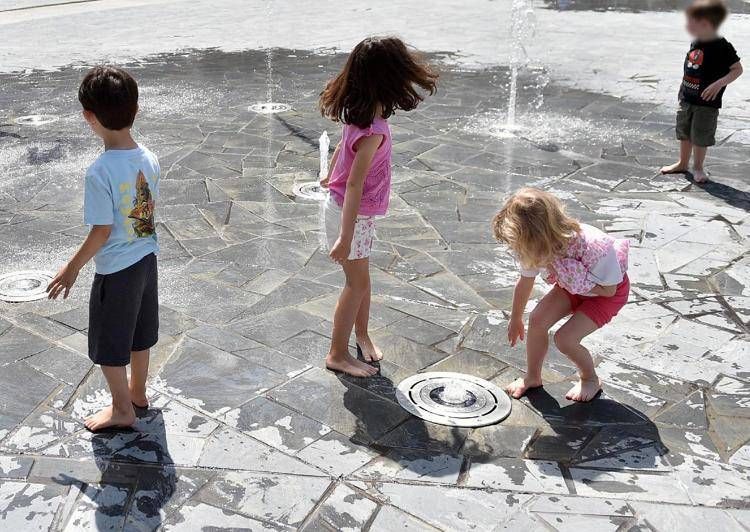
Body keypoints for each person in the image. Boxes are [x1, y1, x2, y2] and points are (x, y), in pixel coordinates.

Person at [47, 66, 160, 431]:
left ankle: (122, 408)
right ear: (136, 109)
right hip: (146, 260)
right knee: (140, 334)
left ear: (89, 117)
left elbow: (102, 230)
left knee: (109, 345)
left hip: (116, 271)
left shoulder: (99, 172)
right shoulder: (148, 157)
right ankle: (138, 393)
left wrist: (72, 267)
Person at [319, 37, 438, 377]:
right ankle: (337, 354)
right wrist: (344, 236)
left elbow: (342, 149)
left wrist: (329, 174)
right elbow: (355, 184)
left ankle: (362, 335)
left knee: (362, 281)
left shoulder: (360, 117)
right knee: (355, 284)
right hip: (350, 217)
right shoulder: (373, 131)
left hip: (354, 215)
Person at [493, 188, 629, 402]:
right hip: (571, 286)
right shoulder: (535, 247)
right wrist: (516, 317)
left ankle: (590, 379)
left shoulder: (594, 245)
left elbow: (609, 289)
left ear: (540, 236)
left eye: (522, 245)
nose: (520, 252)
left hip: (605, 295)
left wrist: (575, 280)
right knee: (537, 320)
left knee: (565, 339)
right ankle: (532, 377)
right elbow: (525, 282)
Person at [660, 0, 742, 183]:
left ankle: (698, 167)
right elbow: (692, 67)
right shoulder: (696, 41)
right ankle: (682, 163)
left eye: (692, 22)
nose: (688, 26)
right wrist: (682, 88)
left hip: (706, 102)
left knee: (700, 134)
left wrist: (718, 84)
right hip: (687, 97)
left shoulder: (722, 46)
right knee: (685, 131)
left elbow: (737, 69)